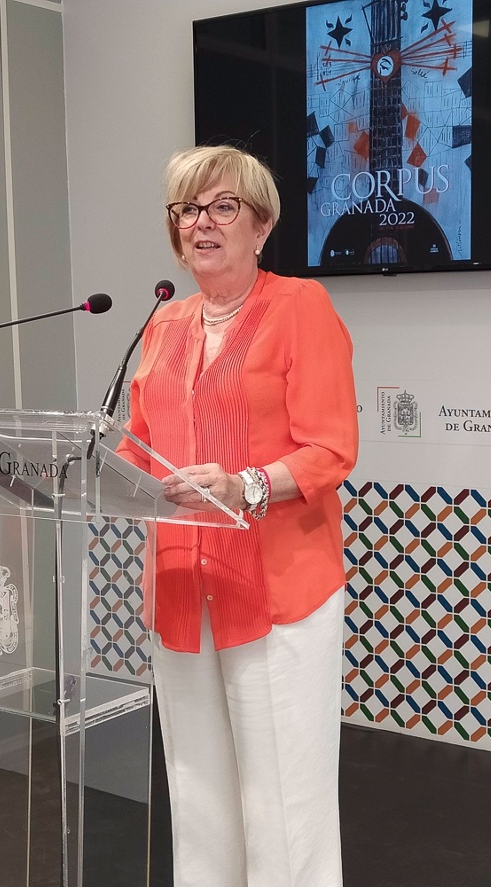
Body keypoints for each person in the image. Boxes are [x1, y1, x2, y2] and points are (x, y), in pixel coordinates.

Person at [116, 145, 358, 887]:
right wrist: (93, 471)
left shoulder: (299, 306)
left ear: (261, 226)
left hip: (277, 588)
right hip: (181, 582)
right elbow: (138, 446)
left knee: (282, 798)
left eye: (224, 207)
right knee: (197, 793)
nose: (202, 223)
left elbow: (331, 449)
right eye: (188, 209)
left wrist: (244, 484)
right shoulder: (165, 322)